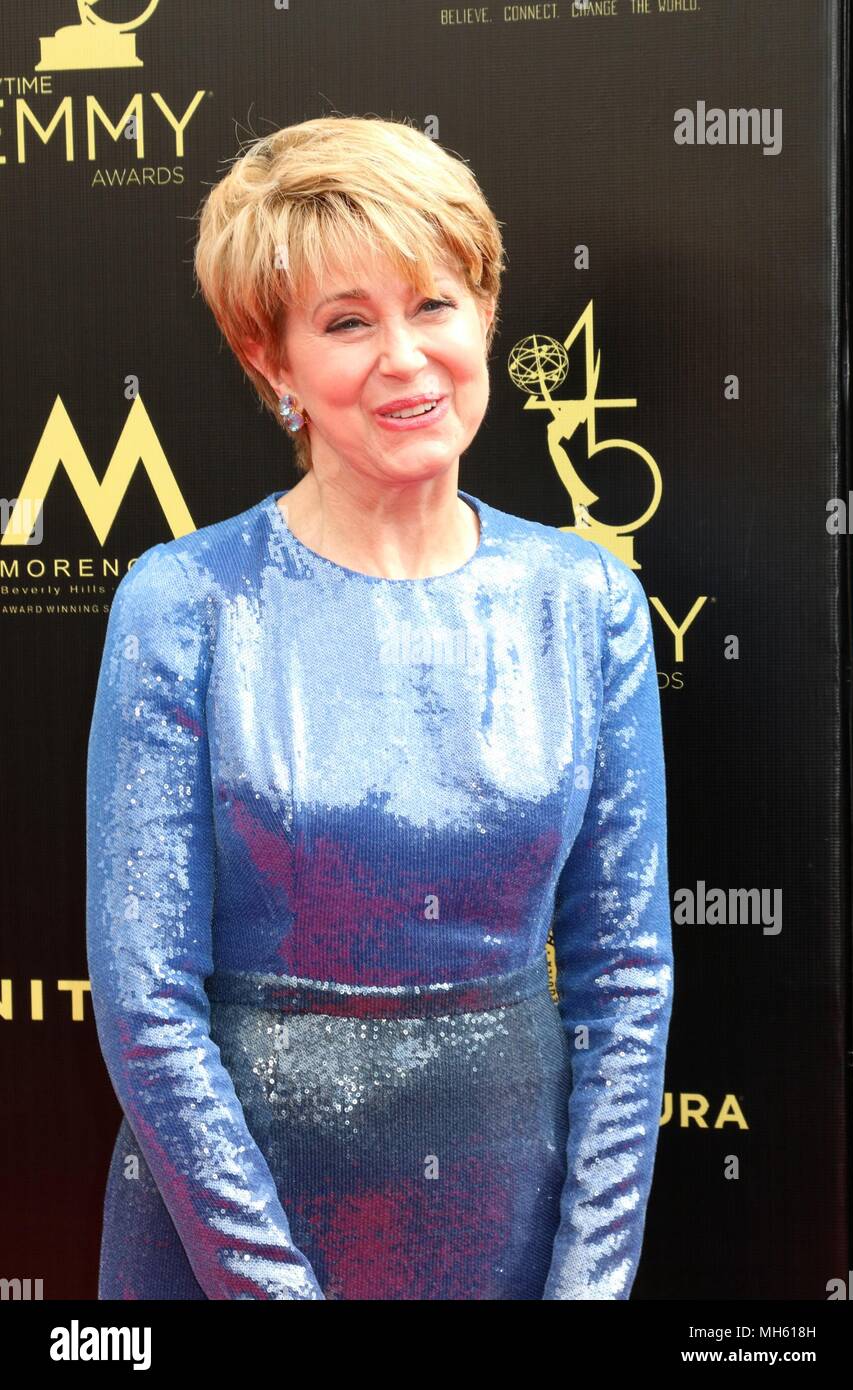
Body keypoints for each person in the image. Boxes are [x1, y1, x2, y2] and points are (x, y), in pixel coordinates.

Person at [86, 114, 674, 1300]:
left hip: (507, 1227)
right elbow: (145, 1006)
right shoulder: (185, 602)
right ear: (270, 361)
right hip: (224, 1235)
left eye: (433, 305)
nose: (404, 358)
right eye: (347, 322)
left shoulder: (583, 599)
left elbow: (622, 979)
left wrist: (588, 1284)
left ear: (485, 317)